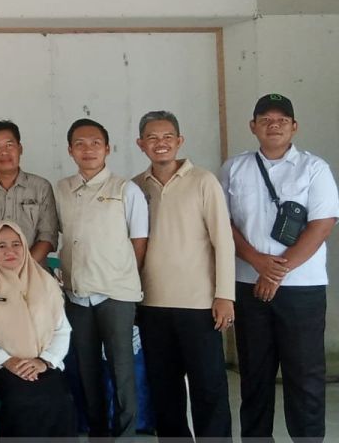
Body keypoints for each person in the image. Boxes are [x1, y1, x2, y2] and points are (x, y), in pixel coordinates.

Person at [220, 94, 338, 442]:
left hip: (303, 289)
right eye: (266, 119)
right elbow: (222, 222)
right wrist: (257, 262)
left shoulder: (314, 168)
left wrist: (276, 272)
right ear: (253, 126)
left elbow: (322, 224)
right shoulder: (234, 168)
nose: (274, 125)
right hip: (247, 283)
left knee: (305, 377)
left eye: (282, 120)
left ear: (294, 127)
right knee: (254, 375)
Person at [133, 110, 233, 441]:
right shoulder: (135, 187)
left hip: (199, 304)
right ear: (140, 144)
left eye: (166, 137)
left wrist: (224, 295)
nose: (160, 144)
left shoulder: (204, 181)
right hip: (152, 305)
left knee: (209, 388)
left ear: (179, 141)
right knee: (165, 389)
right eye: (152, 138)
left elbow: (224, 241)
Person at [54, 117, 148, 439]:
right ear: (70, 150)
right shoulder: (62, 189)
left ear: (107, 148)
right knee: (87, 369)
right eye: (80, 143)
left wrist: (119, 275)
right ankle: (97, 431)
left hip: (116, 295)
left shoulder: (125, 189)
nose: (88, 149)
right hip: (78, 295)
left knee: (121, 370)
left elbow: (139, 241)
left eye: (95, 143)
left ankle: (125, 435)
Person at [0, 221, 76, 439]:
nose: (10, 251)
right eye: (1, 246)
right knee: (22, 398)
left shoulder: (46, 281)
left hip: (43, 363)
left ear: (25, 246)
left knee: (60, 398)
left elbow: (63, 330)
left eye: (16, 244)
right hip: (0, 366)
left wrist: (43, 361)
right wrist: (7, 360)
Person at [0, 120, 57, 269]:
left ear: (20, 148)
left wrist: (23, 269)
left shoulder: (41, 187)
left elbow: (47, 235)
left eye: (9, 145)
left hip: (35, 276)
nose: (4, 152)